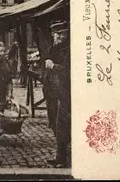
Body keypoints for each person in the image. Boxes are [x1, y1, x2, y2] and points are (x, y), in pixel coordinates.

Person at [43, 21, 71, 168]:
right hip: (51, 93)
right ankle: (60, 156)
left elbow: (70, 71)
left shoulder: (68, 50)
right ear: (53, 35)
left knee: (62, 125)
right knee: (54, 123)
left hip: (64, 93)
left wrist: (54, 66)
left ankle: (63, 159)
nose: (60, 36)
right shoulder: (52, 48)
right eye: (57, 34)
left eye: (62, 33)